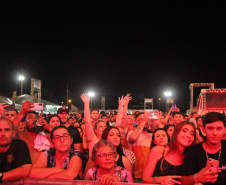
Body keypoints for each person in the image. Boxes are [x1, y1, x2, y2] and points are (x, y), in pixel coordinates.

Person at [180, 112, 226, 185]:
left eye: (219, 128)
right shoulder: (193, 152)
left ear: (224, 130)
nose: (215, 133)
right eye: (210, 128)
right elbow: (182, 181)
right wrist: (196, 177)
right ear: (203, 130)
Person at [0, 118, 32, 182]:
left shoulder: (19, 145)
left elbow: (25, 170)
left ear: (13, 133)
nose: (2, 134)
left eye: (7, 130)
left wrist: (1, 176)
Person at [127, 111, 153, 182]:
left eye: (147, 119)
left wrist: (158, 123)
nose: (146, 121)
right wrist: (144, 121)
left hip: (148, 175)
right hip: (135, 175)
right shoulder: (131, 133)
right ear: (137, 122)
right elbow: (133, 138)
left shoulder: (152, 136)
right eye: (142, 119)